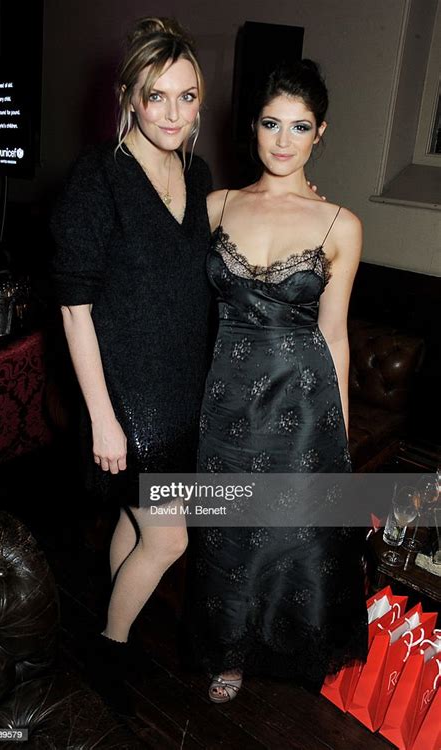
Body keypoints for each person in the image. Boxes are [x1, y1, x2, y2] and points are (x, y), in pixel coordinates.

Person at [184, 59, 368, 702]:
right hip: (226, 396)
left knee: (294, 535)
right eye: (271, 123)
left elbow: (336, 337)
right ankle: (229, 653)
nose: (283, 140)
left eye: (300, 126)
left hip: (303, 397)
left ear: (321, 133)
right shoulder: (215, 206)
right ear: (252, 127)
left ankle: (292, 645)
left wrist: (340, 440)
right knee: (228, 530)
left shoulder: (340, 224)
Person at [50, 17, 212, 714]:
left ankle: (106, 618)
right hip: (129, 398)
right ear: (129, 98)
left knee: (138, 521)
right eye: (157, 97)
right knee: (170, 538)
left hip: (183, 390)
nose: (173, 113)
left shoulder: (198, 172)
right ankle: (109, 648)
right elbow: (74, 308)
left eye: (187, 96)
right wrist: (103, 418)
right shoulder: (99, 177)